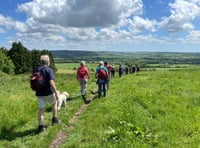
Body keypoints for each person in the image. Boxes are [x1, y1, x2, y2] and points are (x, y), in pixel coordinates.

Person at [35, 55, 60, 133]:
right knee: (54, 103)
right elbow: (51, 82)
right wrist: (56, 92)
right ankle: (54, 120)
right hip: (48, 92)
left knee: (41, 110)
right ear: (48, 62)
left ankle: (41, 126)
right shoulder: (48, 70)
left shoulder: (37, 70)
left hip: (39, 93)